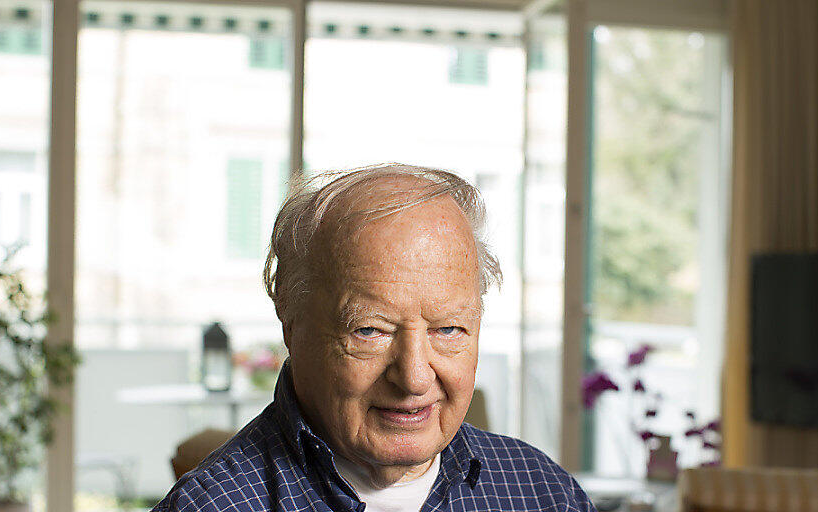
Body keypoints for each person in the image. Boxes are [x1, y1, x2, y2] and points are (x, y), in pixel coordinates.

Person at [152, 164, 594, 512]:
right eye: (371, 331)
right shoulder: (211, 505)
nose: (415, 379)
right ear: (292, 326)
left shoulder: (544, 494)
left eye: (447, 329)